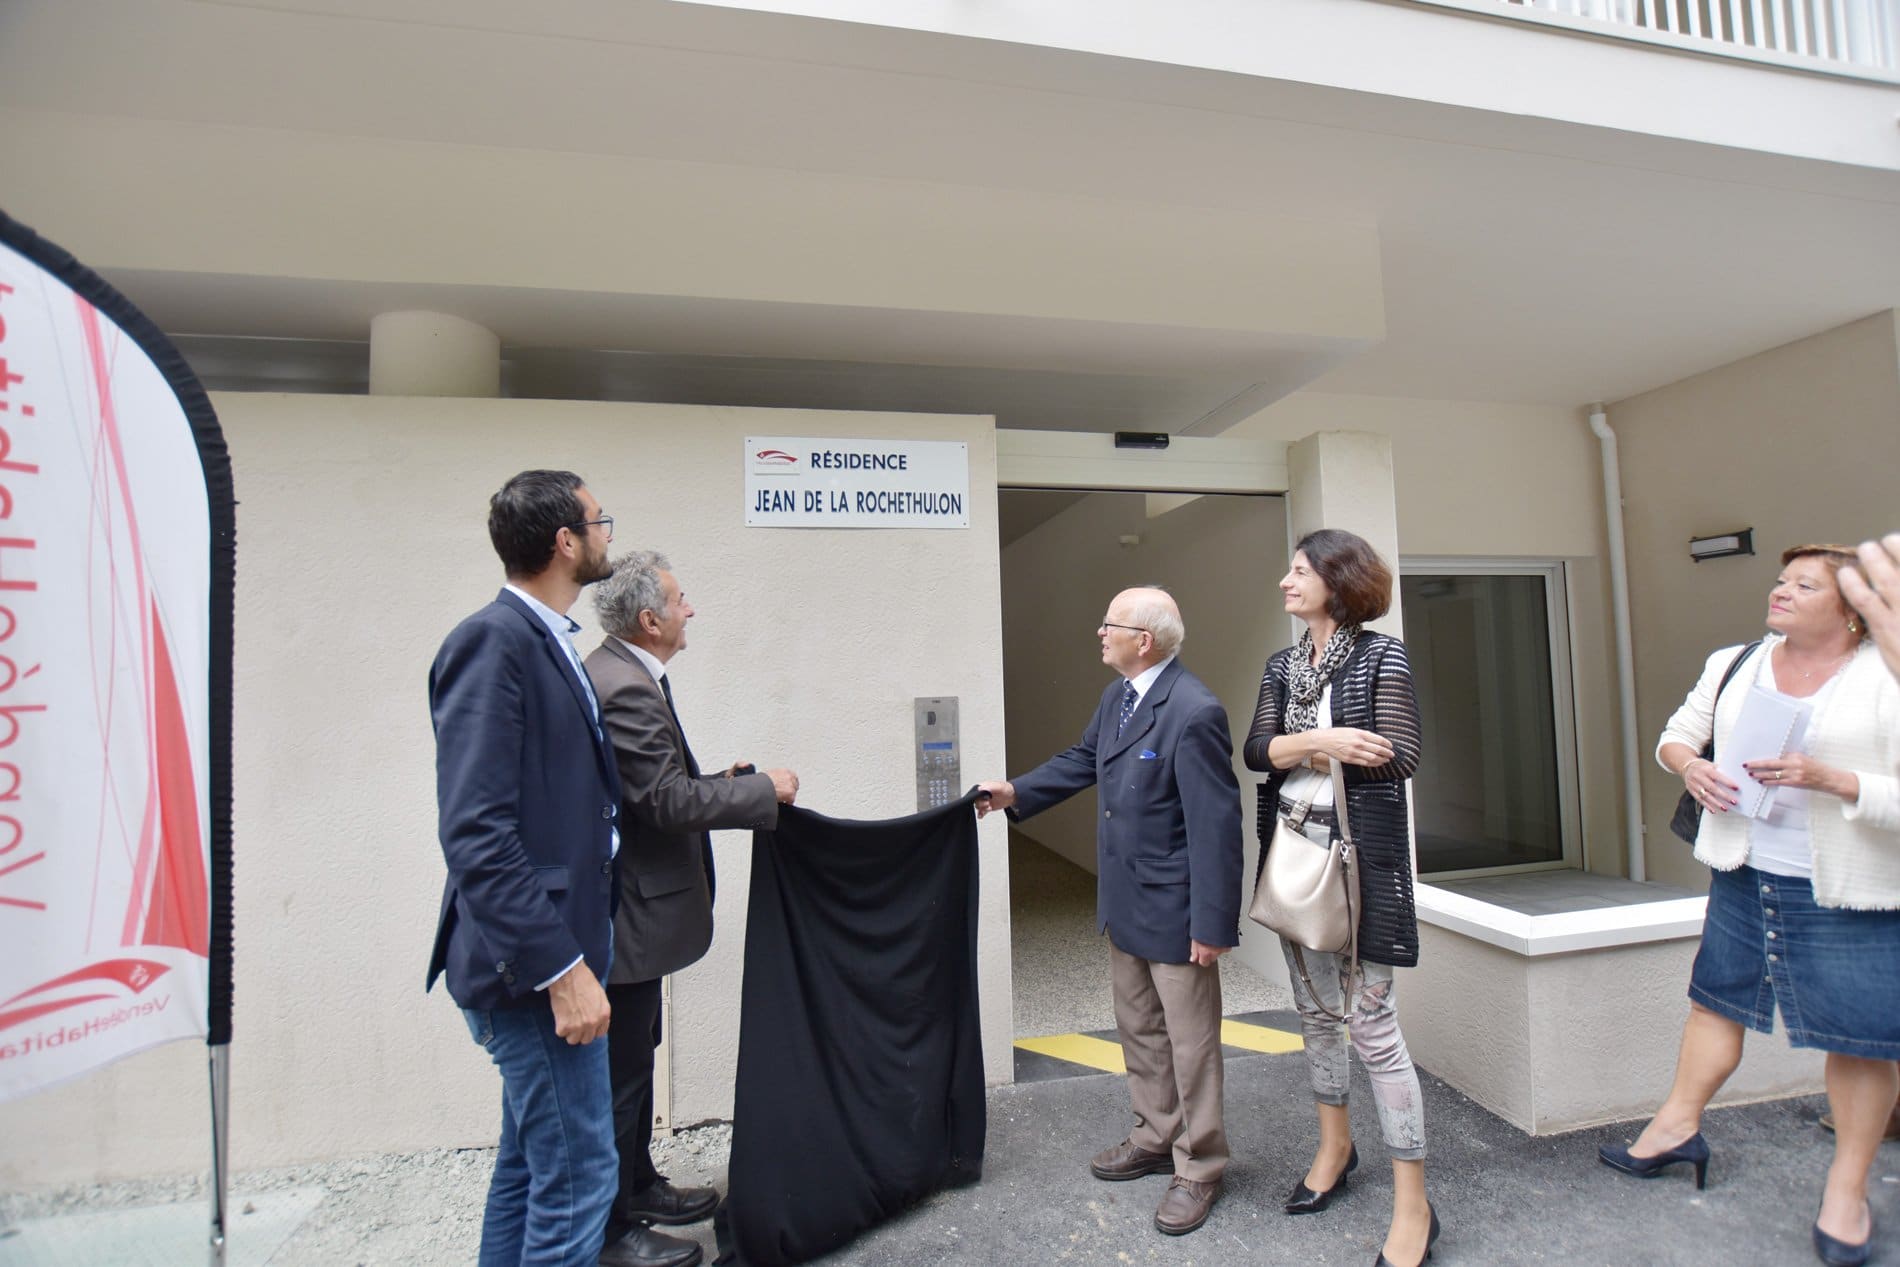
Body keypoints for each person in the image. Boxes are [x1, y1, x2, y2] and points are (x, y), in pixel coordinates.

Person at [1600, 544, 1900, 1267]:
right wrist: (1691, 765)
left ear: (1855, 610)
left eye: (1805, 584)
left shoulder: (1886, 675)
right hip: (1744, 869)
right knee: (1714, 1002)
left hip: (1847, 889)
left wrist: (1833, 778)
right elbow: (1676, 733)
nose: (1781, 591)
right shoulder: (1735, 661)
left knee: (1857, 1041)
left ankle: (1847, 1189)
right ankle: (1676, 1128)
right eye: (1780, 579)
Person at [976, 587, 1242, 1238]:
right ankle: (1156, 1135)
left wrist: (1212, 923)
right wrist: (1017, 791)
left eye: (1110, 624)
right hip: (1125, 898)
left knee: (1192, 1044)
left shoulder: (1194, 710)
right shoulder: (1118, 698)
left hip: (1176, 909)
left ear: (1143, 640)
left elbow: (1217, 825)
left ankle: (1200, 1165)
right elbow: (1081, 759)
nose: (1099, 632)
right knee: (1140, 1031)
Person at [427, 470, 623, 1266]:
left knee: (526, 1167)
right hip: (533, 975)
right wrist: (561, 968)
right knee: (580, 1178)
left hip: (553, 961)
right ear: (564, 542)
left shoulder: (551, 637)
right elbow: (476, 832)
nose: (608, 530)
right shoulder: (493, 640)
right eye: (598, 518)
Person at [583, 552, 799, 1267]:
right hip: (629, 917)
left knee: (635, 1061)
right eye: (681, 600)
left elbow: (657, 788)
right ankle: (613, 1231)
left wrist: (721, 782)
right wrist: (761, 790)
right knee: (620, 1076)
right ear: (651, 619)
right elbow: (664, 804)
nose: (691, 610)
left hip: (638, 915)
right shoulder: (626, 687)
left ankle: (639, 1185)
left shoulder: (625, 672)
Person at [1242, 529, 1436, 1267]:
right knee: (1317, 1016)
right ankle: (1335, 1149)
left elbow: (1400, 754)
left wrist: (1303, 745)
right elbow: (1256, 751)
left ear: (1338, 579)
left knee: (1375, 1030)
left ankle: (1413, 1203)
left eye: (1299, 571)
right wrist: (1330, 740)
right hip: (1293, 856)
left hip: (1362, 865)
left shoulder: (1382, 654)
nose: (1286, 583)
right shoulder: (1281, 662)